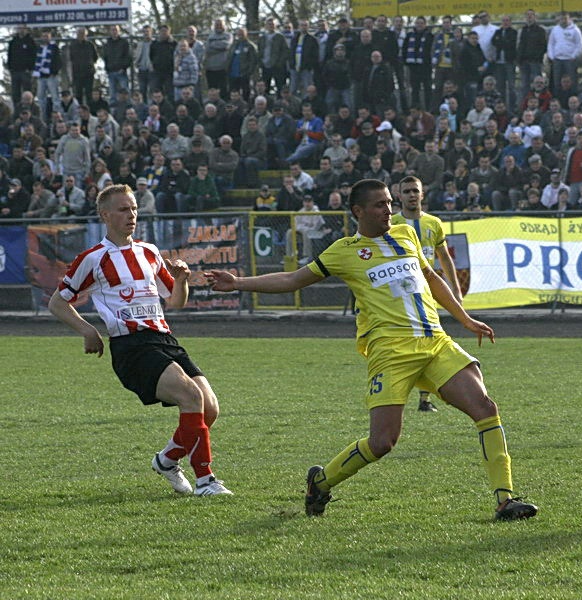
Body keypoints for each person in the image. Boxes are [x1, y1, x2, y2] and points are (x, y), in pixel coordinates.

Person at [205, 179, 537, 521]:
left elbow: (432, 279)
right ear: (358, 212)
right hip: (390, 351)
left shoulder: (407, 236)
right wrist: (239, 283)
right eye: (380, 204)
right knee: (382, 442)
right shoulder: (344, 251)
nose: (389, 210)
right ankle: (320, 482)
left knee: (485, 407)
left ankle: (504, 500)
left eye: (390, 203)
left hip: (434, 340)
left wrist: (464, 319)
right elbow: (293, 279)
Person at [48, 185, 232, 496]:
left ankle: (167, 460)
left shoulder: (150, 252)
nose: (131, 215)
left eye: (133, 208)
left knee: (210, 408)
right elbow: (57, 301)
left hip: (163, 338)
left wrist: (183, 280)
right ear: (105, 215)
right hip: (131, 346)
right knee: (191, 397)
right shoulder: (93, 258)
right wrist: (88, 330)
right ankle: (206, 481)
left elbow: (175, 302)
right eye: (123, 209)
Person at [391, 176, 463, 412]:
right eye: (407, 191)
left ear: (422, 195)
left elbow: (444, 257)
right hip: (397, 295)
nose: (412, 195)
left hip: (426, 293)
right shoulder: (390, 223)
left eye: (415, 191)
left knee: (429, 340)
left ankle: (424, 398)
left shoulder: (434, 223)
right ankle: (395, 394)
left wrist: (456, 288)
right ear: (399, 196)